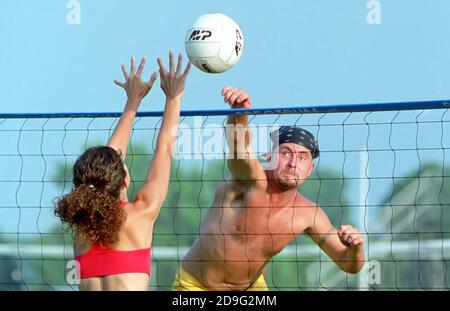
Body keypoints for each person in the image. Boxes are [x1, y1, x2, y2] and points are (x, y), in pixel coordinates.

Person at [173, 87, 365, 291]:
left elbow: (348, 264)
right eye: (285, 153)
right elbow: (238, 147)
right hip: (196, 287)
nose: (293, 163)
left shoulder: (309, 214)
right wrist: (240, 113)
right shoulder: (249, 180)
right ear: (268, 156)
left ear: (310, 169)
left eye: (302, 157)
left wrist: (355, 248)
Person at [55, 52, 191, 290]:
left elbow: (103, 167)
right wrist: (173, 96)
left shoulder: (81, 230)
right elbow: (165, 150)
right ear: (125, 181)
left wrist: (133, 101)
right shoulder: (141, 213)